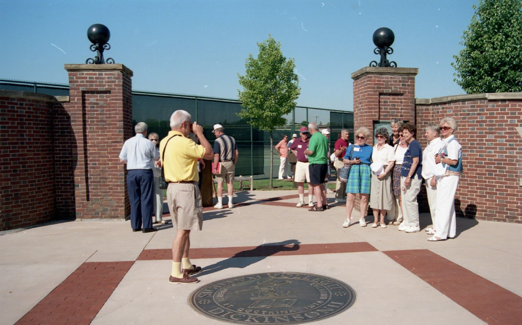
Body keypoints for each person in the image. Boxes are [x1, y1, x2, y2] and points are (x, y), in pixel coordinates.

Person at [160, 110, 213, 284]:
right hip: (185, 189)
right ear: (183, 125)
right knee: (183, 231)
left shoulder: (164, 141)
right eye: (190, 124)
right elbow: (209, 153)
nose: (191, 127)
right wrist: (199, 133)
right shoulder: (184, 142)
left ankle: (186, 263)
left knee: (184, 229)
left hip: (172, 188)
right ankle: (176, 272)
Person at [119, 122, 159, 233]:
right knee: (146, 198)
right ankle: (147, 225)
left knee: (134, 199)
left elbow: (122, 159)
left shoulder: (128, 142)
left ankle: (135, 225)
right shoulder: (148, 143)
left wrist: (131, 162)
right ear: (145, 131)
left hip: (131, 172)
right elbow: (156, 157)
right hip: (145, 171)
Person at [430, 117, 462, 241]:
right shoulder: (445, 142)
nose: (443, 130)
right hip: (444, 175)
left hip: (450, 175)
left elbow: (454, 161)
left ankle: (440, 233)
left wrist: (440, 159)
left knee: (443, 204)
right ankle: (450, 231)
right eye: (441, 128)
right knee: (446, 204)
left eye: (446, 128)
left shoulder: (453, 143)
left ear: (452, 129)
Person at [342, 127, 372, 228]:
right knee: (351, 196)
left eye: (362, 137)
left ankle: (362, 217)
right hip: (354, 169)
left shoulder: (370, 148)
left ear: (366, 138)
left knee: (364, 197)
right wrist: (352, 161)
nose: (359, 139)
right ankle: (348, 218)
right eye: (358, 137)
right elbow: (345, 160)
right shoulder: (351, 147)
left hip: (365, 169)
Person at [399, 123, 423, 233]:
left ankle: (414, 224)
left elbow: (415, 161)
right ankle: (408, 222)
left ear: (412, 133)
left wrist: (409, 177)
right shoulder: (410, 145)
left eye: (406, 133)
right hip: (405, 176)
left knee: (410, 200)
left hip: (413, 177)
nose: (404, 135)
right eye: (403, 133)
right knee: (405, 200)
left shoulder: (414, 144)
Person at [369, 128, 395, 228]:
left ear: (385, 138)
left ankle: (382, 220)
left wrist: (385, 173)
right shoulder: (374, 147)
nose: (379, 138)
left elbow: (391, 162)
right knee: (375, 196)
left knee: (384, 196)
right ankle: (375, 220)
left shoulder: (389, 148)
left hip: (385, 172)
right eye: (377, 136)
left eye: (381, 137)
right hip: (375, 172)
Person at [422, 124, 443, 235]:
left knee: (435, 203)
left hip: (432, 177)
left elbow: (437, 162)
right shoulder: (430, 145)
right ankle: (435, 224)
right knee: (432, 203)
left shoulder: (439, 144)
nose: (425, 135)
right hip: (427, 176)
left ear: (435, 133)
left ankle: (437, 226)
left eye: (427, 133)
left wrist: (434, 177)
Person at [212, 124, 239, 209]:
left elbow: (216, 155)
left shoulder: (218, 141)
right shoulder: (232, 139)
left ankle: (220, 203)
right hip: (230, 162)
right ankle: (230, 203)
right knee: (230, 183)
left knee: (220, 183)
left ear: (218, 131)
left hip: (221, 163)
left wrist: (215, 167)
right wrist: (234, 163)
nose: (214, 134)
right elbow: (237, 153)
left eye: (215, 132)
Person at [304, 122, 329, 211]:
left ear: (311, 129)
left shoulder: (314, 137)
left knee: (315, 184)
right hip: (323, 162)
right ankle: (325, 203)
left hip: (315, 163)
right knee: (321, 184)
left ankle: (319, 205)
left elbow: (311, 151)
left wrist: (305, 151)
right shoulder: (324, 137)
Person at [290, 127, 314, 207]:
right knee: (300, 182)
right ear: (300, 134)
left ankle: (310, 200)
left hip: (308, 163)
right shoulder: (297, 141)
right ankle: (301, 200)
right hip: (300, 163)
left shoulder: (311, 140)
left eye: (306, 133)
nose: (305, 135)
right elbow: (292, 148)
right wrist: (296, 154)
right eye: (303, 133)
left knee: (310, 182)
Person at [390, 134, 408, 225]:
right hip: (397, 170)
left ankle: (407, 217)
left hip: (407, 170)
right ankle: (400, 216)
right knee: (399, 195)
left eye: (403, 135)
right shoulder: (396, 147)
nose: (401, 137)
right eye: (400, 135)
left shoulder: (410, 146)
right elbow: (392, 160)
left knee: (406, 194)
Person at [148, 132, 164, 224]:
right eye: (151, 139)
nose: (154, 141)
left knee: (159, 197)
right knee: (150, 197)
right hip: (149, 175)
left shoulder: (159, 151)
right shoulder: (146, 149)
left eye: (155, 140)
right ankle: (149, 217)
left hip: (158, 174)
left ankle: (158, 217)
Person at [333, 129, 350, 203]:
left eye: (348, 134)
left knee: (344, 179)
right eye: (346, 134)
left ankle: (343, 195)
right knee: (340, 179)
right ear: (342, 134)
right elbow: (336, 154)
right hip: (339, 161)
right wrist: (342, 150)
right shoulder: (338, 142)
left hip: (345, 161)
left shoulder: (347, 142)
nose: (348, 135)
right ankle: (338, 196)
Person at [321, 129, 334, 195]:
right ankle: (322, 188)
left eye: (328, 134)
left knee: (327, 175)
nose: (327, 135)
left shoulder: (327, 142)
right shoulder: (321, 141)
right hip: (322, 160)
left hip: (327, 160)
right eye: (326, 134)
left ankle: (326, 188)